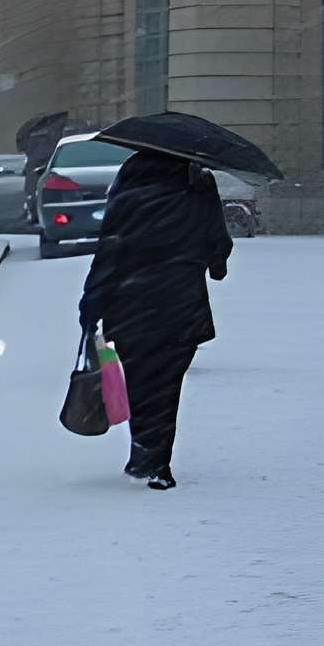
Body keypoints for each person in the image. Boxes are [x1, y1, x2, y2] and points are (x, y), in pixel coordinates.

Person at [76, 148, 232, 489]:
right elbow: (218, 246)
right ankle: (156, 461)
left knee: (140, 383)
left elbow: (109, 252)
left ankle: (143, 455)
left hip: (132, 306)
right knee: (167, 386)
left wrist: (91, 303)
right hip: (182, 306)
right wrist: (212, 263)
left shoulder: (130, 191)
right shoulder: (198, 188)